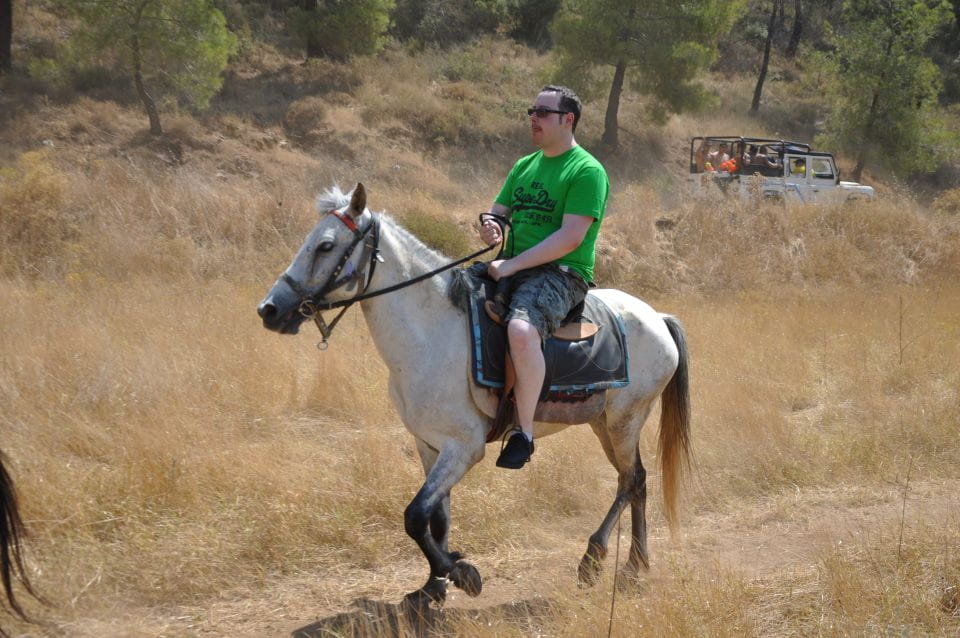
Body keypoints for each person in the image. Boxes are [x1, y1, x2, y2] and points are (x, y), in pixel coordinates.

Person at [479, 85, 609, 469]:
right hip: (511, 263)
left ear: (568, 119)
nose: (533, 118)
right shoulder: (524, 165)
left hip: (561, 273)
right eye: (531, 111)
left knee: (521, 331)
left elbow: (570, 238)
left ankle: (523, 432)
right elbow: (497, 212)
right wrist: (490, 227)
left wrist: (512, 265)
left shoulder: (586, 170)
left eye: (543, 112)